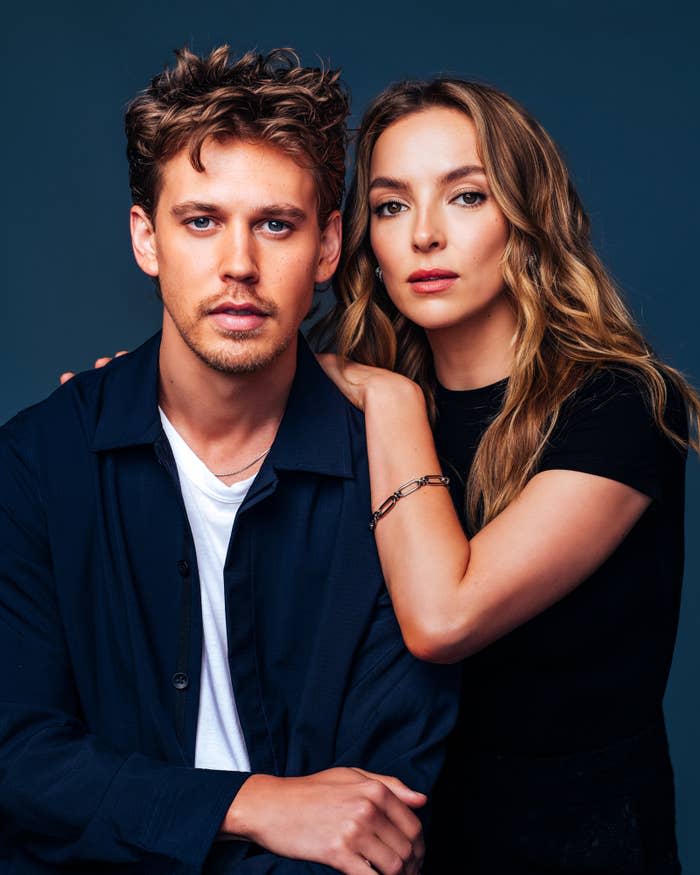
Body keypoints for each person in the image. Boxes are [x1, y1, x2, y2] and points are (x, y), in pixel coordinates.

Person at [0, 48, 460, 875]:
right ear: (148, 239)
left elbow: (383, 809)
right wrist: (252, 802)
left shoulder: (394, 478)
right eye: (202, 221)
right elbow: (18, 758)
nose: (239, 266)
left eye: (275, 224)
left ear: (327, 248)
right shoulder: (37, 463)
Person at [315, 78, 700, 873]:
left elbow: (444, 617)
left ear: (524, 217)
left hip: (576, 852)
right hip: (392, 848)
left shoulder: (622, 402)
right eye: (390, 206)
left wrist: (386, 401)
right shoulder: (350, 398)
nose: (424, 235)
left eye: (465, 197)